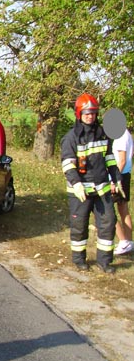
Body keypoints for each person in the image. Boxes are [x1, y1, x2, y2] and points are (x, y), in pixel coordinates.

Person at [60, 93, 124, 273]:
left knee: (108, 223)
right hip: (80, 191)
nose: (90, 116)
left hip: (102, 189)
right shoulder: (71, 137)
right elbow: (68, 164)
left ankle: (104, 262)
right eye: (87, 113)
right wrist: (76, 184)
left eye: (93, 113)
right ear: (79, 114)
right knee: (79, 225)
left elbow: (110, 159)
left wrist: (117, 178)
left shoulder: (103, 134)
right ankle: (79, 259)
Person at [112, 126, 133, 255]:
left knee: (107, 210)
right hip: (125, 174)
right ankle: (129, 242)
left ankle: (123, 241)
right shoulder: (127, 134)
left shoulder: (121, 135)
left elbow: (122, 160)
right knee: (123, 209)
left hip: (119, 176)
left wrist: (114, 180)